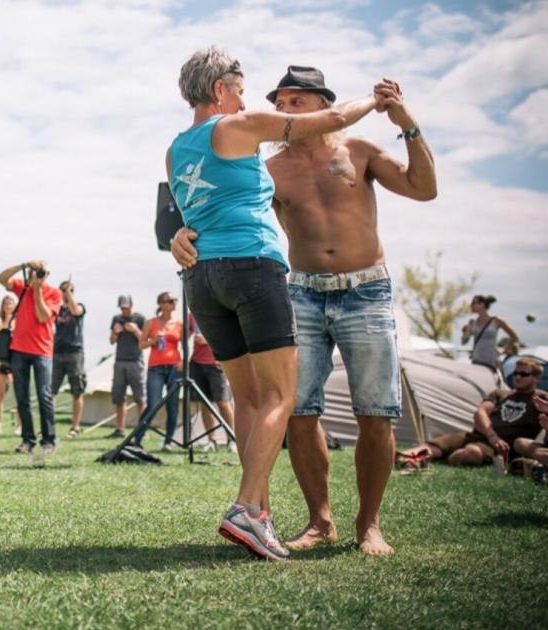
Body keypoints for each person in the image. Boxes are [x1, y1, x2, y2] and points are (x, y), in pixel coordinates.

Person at [172, 64, 437, 557]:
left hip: (366, 290)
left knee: (375, 413)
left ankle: (369, 524)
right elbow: (218, 201)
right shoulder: (267, 167)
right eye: (280, 102)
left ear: (322, 105)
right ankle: (320, 521)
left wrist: (406, 123)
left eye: (296, 101)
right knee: (297, 412)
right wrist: (181, 232)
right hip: (302, 291)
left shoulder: (359, 151)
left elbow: (423, 188)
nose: (284, 109)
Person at [399, 358, 546, 469]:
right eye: (515, 373)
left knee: (471, 453)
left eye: (524, 374)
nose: (518, 377)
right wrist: (492, 436)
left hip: (499, 447)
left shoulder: (541, 398)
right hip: (478, 435)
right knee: (441, 444)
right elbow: (480, 412)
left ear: (536, 378)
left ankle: (441, 459)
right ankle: (405, 458)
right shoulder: (501, 393)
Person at [0, 260, 64, 454]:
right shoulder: (22, 286)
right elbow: (1, 278)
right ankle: (28, 440)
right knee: (22, 397)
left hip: (42, 351)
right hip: (19, 349)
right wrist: (23, 265)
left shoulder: (54, 293)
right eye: (36, 271)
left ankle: (48, 441)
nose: (39, 275)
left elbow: (43, 316)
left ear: (48, 275)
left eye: (42, 272)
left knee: (44, 396)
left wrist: (37, 289)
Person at [139, 291, 183, 451]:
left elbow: (186, 345)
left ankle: (168, 442)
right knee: (153, 404)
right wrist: (153, 341)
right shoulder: (151, 323)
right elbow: (141, 345)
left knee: (172, 405)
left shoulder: (179, 324)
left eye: (173, 300)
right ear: (161, 304)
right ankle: (137, 438)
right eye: (168, 301)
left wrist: (183, 361)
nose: (172, 303)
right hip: (155, 368)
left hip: (174, 368)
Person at [189, 317, 236, 451]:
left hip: (217, 363)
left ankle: (232, 440)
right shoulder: (191, 315)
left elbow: (231, 335)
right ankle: (211, 440)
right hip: (197, 363)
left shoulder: (218, 310)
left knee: (223, 402)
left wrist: (208, 339)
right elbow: (184, 336)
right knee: (205, 403)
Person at [51, 278, 86, 438]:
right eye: (63, 291)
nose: (65, 293)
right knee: (51, 391)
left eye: (68, 291)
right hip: (57, 352)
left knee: (77, 391)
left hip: (75, 353)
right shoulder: (56, 308)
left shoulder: (80, 306)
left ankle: (75, 427)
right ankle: (49, 426)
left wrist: (69, 294)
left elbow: (76, 311)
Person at [108, 295, 146, 438]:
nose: (124, 310)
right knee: (119, 398)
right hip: (119, 362)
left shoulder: (140, 319)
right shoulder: (116, 319)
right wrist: (115, 332)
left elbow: (145, 340)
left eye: (126, 307)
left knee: (140, 398)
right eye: (122, 308)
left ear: (131, 305)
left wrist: (135, 330)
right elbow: (112, 341)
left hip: (136, 362)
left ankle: (141, 430)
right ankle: (120, 429)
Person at [461, 295, 520, 372]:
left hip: (492, 361)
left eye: (474, 303)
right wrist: (467, 330)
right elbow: (463, 342)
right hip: (476, 360)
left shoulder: (496, 320)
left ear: (482, 304)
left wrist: (503, 352)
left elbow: (514, 337)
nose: (471, 305)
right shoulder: (473, 323)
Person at [0, 294, 16, 435]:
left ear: (14, 305)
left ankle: (20, 425)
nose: (8, 306)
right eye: (6, 304)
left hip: (15, 360)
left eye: (10, 303)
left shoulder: (17, 320)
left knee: (18, 394)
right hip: (1, 361)